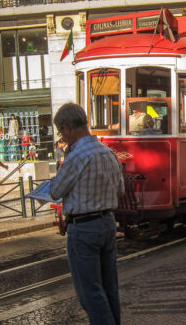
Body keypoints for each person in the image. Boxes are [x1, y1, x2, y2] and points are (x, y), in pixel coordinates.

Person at [49, 102, 124, 325]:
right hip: (107, 223)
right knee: (109, 288)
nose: (62, 137)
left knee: (90, 292)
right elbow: (120, 189)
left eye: (61, 131)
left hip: (83, 228)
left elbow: (55, 191)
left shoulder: (76, 155)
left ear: (68, 128)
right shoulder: (108, 152)